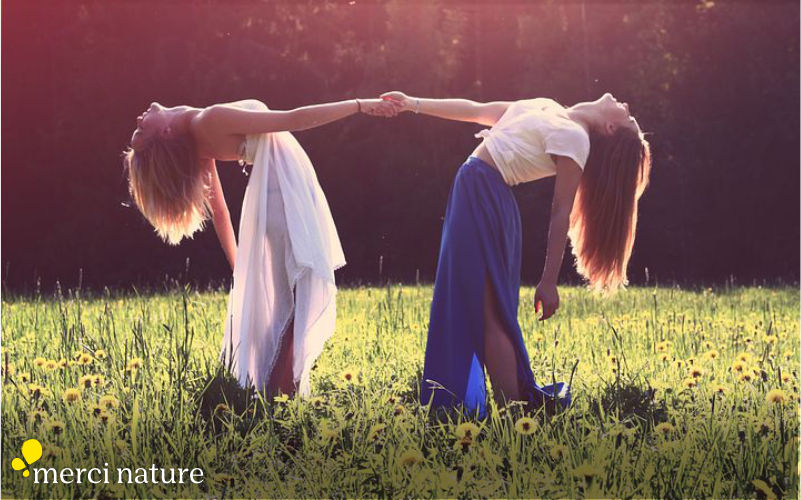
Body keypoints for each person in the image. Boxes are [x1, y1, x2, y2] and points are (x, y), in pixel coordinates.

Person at [378, 91, 652, 419]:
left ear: (609, 127)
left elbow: (560, 212)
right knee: (482, 307)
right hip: (475, 189)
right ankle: (513, 411)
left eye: (627, 115)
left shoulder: (575, 139)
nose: (625, 104)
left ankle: (515, 414)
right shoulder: (550, 107)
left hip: (485, 194)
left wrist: (548, 281)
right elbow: (477, 108)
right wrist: (413, 104)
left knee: (488, 312)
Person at [123, 97, 398, 398]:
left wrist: (240, 269)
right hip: (285, 200)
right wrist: (359, 105)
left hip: (282, 197)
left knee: (291, 300)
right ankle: (281, 392)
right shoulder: (209, 121)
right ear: (164, 133)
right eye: (141, 131)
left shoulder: (199, 133)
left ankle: (277, 389)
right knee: (297, 298)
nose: (138, 120)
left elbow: (221, 214)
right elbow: (295, 116)